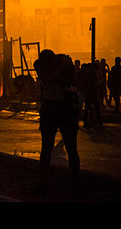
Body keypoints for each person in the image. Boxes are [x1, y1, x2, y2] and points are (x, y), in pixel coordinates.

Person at [33, 50, 81, 196]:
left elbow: (72, 81)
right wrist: (61, 67)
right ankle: (46, 182)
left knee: (68, 148)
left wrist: (64, 67)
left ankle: (73, 183)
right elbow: (48, 77)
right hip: (55, 109)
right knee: (50, 148)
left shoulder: (63, 67)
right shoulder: (44, 66)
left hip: (59, 109)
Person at [82, 61, 102, 130]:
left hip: (88, 92)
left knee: (87, 107)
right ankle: (98, 122)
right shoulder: (93, 74)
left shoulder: (86, 74)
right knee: (97, 108)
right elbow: (95, 83)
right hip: (93, 92)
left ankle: (86, 122)